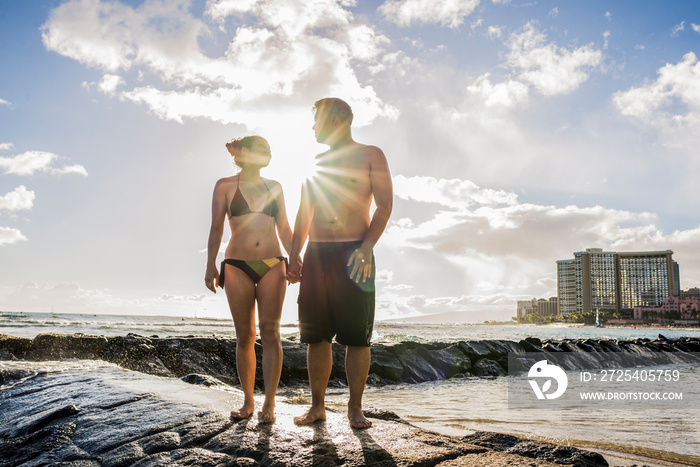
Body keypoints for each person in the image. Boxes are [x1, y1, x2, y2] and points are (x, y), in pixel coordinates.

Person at [286, 98, 393, 429]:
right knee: (316, 336)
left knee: (357, 337)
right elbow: (305, 213)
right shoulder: (314, 163)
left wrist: (366, 247)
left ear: (337, 119)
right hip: (317, 253)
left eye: (316, 119)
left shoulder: (371, 155)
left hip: (355, 254)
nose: (313, 126)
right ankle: (317, 407)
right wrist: (294, 253)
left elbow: (384, 206)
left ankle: (354, 409)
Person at [205, 135, 293, 423]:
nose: (268, 153)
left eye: (269, 150)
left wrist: (297, 259)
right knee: (245, 335)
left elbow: (285, 229)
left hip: (272, 263)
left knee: (271, 333)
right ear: (244, 152)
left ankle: (269, 403)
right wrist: (210, 265)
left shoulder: (275, 187)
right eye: (262, 149)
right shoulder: (225, 186)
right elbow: (217, 228)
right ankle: (247, 402)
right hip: (236, 265)